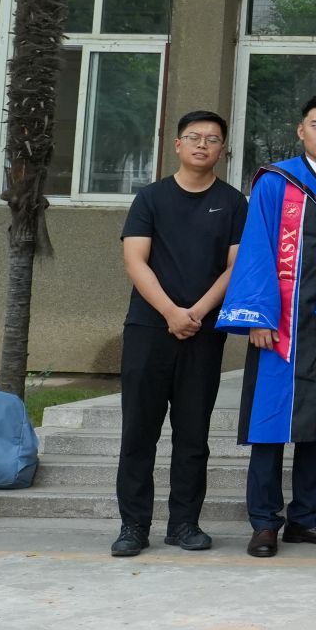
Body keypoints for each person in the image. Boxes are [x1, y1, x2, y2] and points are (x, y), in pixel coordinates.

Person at [216, 95, 316, 558]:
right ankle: (264, 522)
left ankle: (307, 519)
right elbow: (256, 248)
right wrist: (258, 316)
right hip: (283, 323)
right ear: (301, 131)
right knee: (270, 422)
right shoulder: (276, 181)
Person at [110, 111, 246, 559]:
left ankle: (184, 524)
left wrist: (198, 312)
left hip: (203, 332)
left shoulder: (232, 202)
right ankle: (133, 525)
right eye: (194, 137)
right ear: (177, 145)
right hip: (149, 328)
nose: (203, 145)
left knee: (192, 435)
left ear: (223, 149)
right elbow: (135, 261)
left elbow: (235, 266)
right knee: (139, 432)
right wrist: (171, 312)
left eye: (212, 139)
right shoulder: (150, 198)